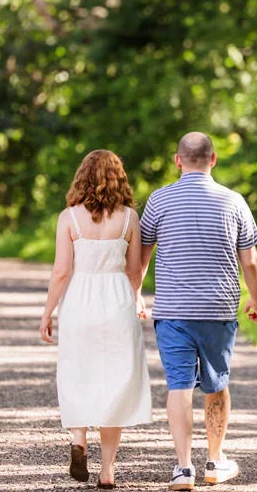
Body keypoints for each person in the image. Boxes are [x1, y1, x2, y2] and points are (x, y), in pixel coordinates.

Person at [140, 132, 257, 491]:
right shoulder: (234, 201)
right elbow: (251, 261)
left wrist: (135, 294)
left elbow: (141, 257)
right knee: (216, 384)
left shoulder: (159, 200)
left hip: (173, 310)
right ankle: (215, 461)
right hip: (218, 310)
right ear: (214, 159)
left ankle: (182, 468)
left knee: (179, 385)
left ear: (178, 160)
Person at [40, 149, 152, 489]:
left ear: (82, 177)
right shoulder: (130, 218)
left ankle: (78, 438)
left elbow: (62, 271)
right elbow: (135, 270)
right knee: (116, 381)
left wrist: (47, 312)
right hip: (117, 300)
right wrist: (135, 297)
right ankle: (107, 471)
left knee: (77, 371)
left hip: (79, 302)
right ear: (119, 178)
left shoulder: (69, 218)